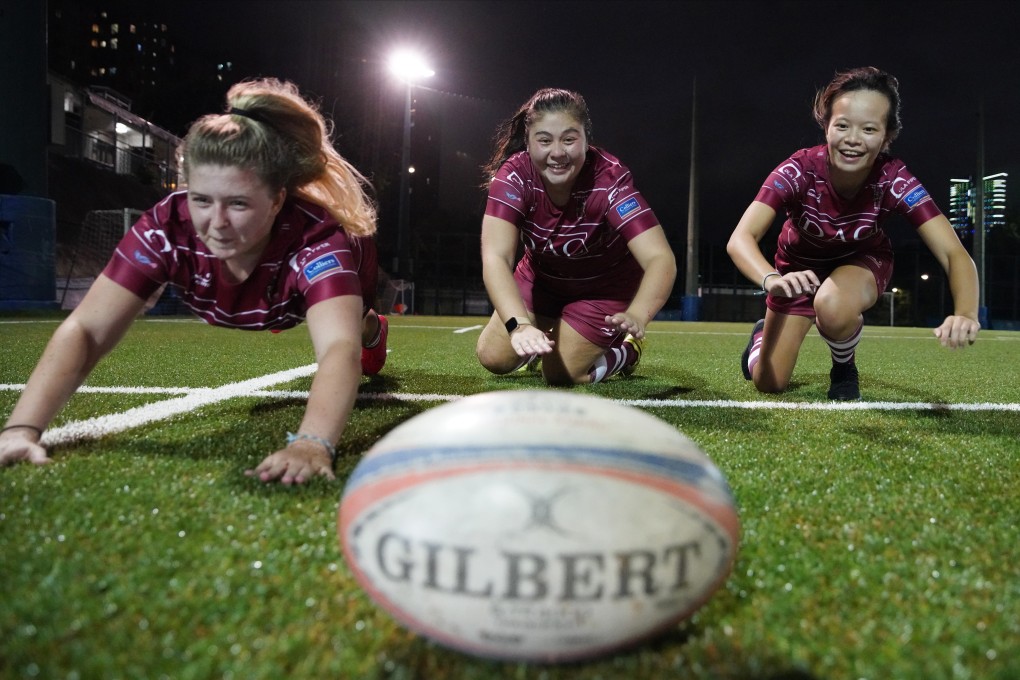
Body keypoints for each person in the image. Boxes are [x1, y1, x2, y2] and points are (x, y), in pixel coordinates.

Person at [0, 78, 388, 484]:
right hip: (263, 295)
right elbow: (87, 330)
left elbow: (337, 348)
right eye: (201, 199)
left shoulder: (317, 240)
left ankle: (372, 328)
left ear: (277, 200)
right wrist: (21, 430)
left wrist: (311, 444)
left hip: (338, 271)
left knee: (350, 324)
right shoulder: (167, 227)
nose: (216, 223)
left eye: (238, 203)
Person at [726, 67, 980, 400]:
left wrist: (966, 313)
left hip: (861, 263)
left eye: (869, 129)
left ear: (887, 136)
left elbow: (952, 252)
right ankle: (761, 339)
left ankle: (844, 367)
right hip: (797, 273)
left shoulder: (894, 179)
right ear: (826, 126)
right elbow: (740, 238)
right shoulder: (798, 170)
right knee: (768, 383)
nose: (853, 139)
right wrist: (771, 278)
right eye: (842, 125)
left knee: (832, 304)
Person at [475, 88, 676, 385]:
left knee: (562, 375)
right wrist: (519, 326)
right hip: (542, 280)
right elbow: (496, 257)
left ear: (586, 140)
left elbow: (660, 258)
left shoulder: (610, 181)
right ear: (528, 142)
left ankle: (627, 351)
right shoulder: (513, 177)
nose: (558, 152)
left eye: (569, 139)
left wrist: (637, 313)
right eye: (544, 140)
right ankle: (541, 343)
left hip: (604, 289)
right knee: (493, 357)